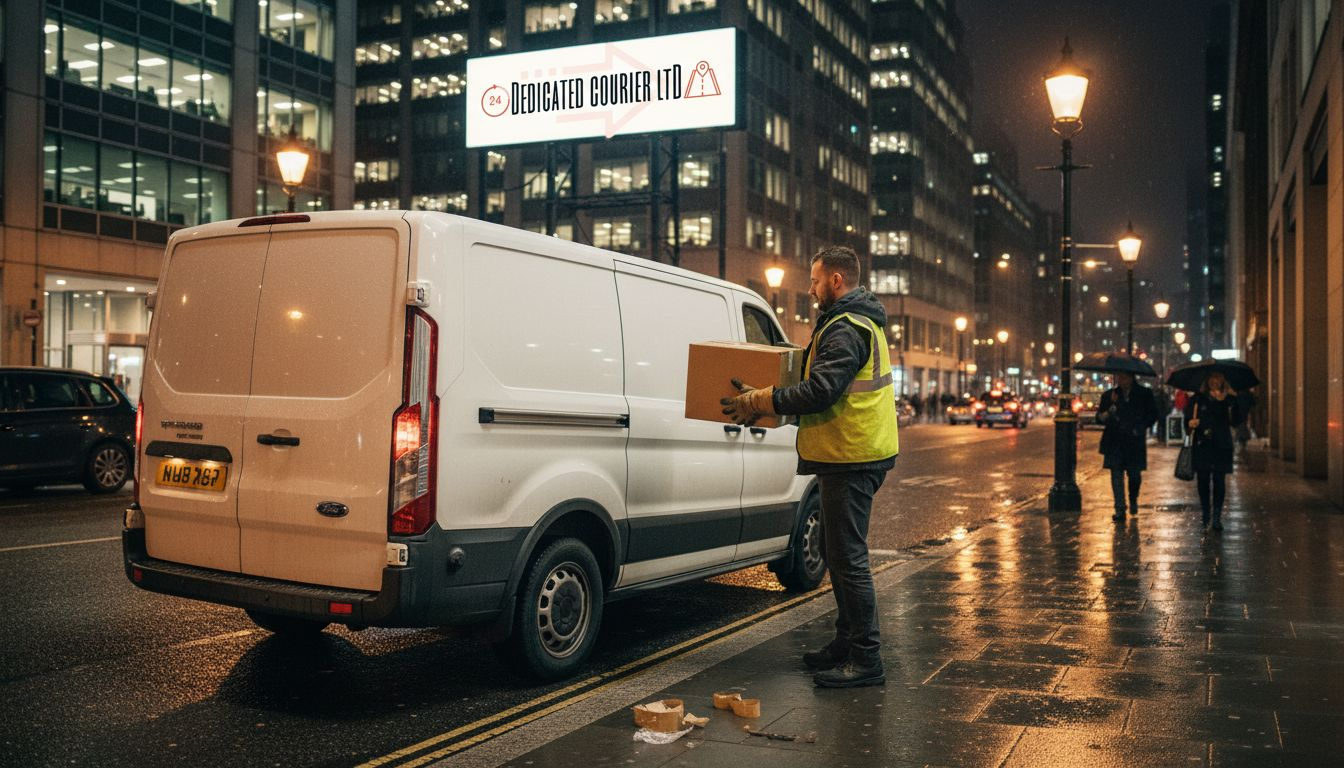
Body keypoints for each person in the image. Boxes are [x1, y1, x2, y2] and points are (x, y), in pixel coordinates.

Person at [721, 246, 899, 689]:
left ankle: (866, 659)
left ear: (837, 280)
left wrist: (761, 401)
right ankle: (846, 643)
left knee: (849, 560)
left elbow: (820, 391)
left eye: (816, 279)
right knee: (839, 557)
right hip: (847, 453)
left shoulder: (846, 327)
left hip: (852, 456)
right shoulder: (851, 322)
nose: (811, 287)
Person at [1096, 371, 1160, 522]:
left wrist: (1141, 427)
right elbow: (1099, 418)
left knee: (1135, 476)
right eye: (1119, 377)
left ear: (1132, 377)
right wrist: (1110, 409)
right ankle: (1119, 509)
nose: (1121, 380)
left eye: (1124, 376)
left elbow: (1153, 414)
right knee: (1116, 476)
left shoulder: (1144, 393)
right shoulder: (1109, 395)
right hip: (1115, 441)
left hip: (1134, 441)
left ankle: (1133, 499)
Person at [1185, 372, 1241, 531]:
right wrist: (1191, 422)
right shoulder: (1198, 398)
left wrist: (1234, 402)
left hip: (1221, 444)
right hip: (1203, 443)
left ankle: (1216, 516)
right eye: (1211, 377)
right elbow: (1188, 420)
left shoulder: (1229, 399)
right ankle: (1205, 512)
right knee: (1203, 479)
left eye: (1218, 378)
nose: (1214, 381)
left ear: (1223, 379)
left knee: (1219, 480)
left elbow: (1236, 421)